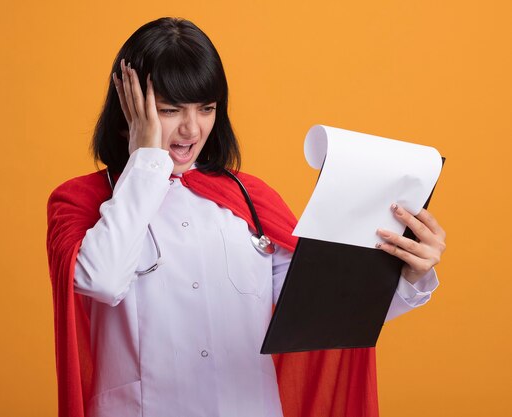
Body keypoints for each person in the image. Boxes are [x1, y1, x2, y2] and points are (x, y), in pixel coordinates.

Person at [46, 17, 446, 417]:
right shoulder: (81, 201)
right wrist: (146, 161)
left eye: (206, 109)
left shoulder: (251, 200)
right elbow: (102, 280)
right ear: (130, 108)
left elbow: (322, 309)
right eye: (169, 109)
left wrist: (408, 275)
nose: (191, 128)